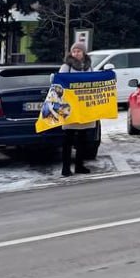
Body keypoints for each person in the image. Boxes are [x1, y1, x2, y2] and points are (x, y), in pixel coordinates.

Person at [59, 41, 96, 177]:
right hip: (70, 108)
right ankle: (66, 168)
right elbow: (59, 83)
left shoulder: (89, 67)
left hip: (84, 108)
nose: (75, 53)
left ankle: (79, 166)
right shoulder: (66, 66)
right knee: (67, 139)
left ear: (83, 53)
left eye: (78, 51)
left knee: (82, 139)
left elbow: (94, 84)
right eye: (74, 51)